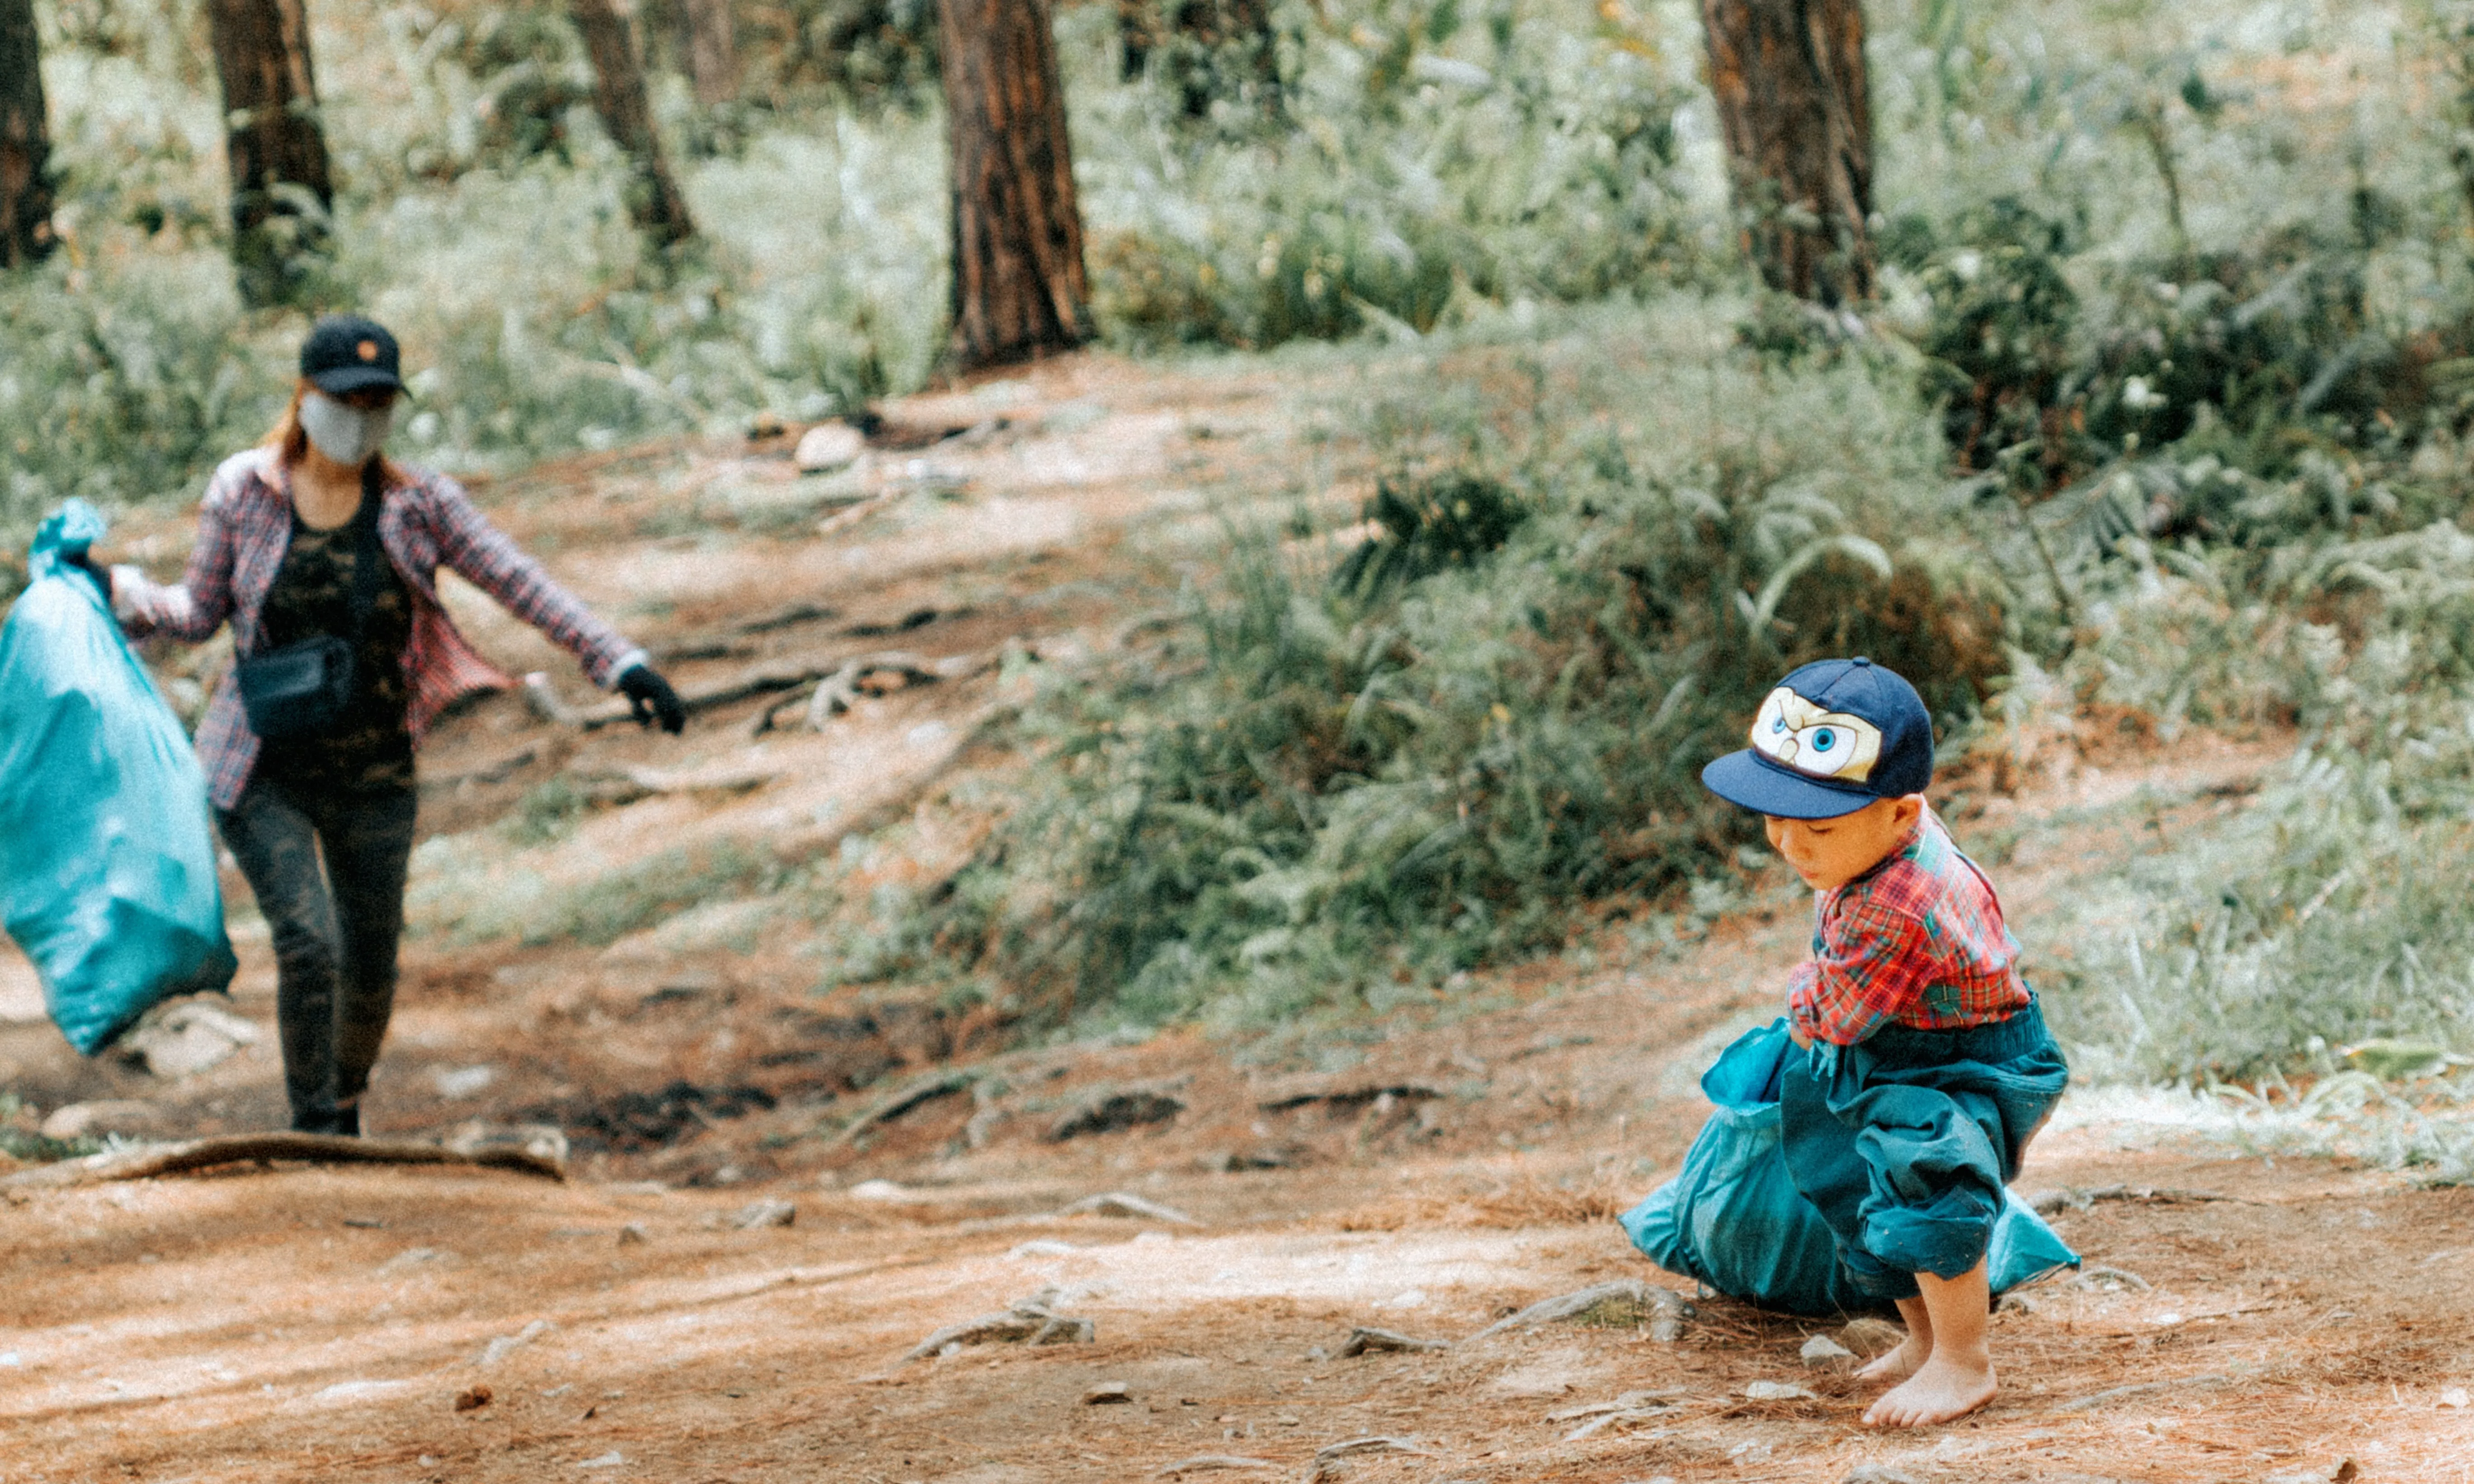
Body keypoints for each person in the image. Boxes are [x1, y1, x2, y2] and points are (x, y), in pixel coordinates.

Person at [108, 314, 689, 1137]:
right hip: (262, 765)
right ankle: (316, 1130)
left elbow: (519, 580)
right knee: (312, 944)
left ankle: (343, 1099)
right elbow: (198, 612)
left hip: (375, 771)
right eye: (346, 397)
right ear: (305, 396)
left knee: (371, 963)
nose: (361, 414)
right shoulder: (245, 489)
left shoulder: (421, 504)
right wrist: (119, 600)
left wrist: (619, 662)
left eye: (379, 399)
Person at [1700, 657, 2068, 1428]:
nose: (1790, 845)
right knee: (1851, 1178)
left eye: (1818, 827)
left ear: (1902, 816)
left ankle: (1965, 1362)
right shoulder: (1876, 840)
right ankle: (1926, 1339)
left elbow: (1831, 1014)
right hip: (1893, 1041)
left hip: (1959, 1058)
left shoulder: (1896, 906)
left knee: (1927, 1179)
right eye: (1775, 819)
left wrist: (1801, 988)